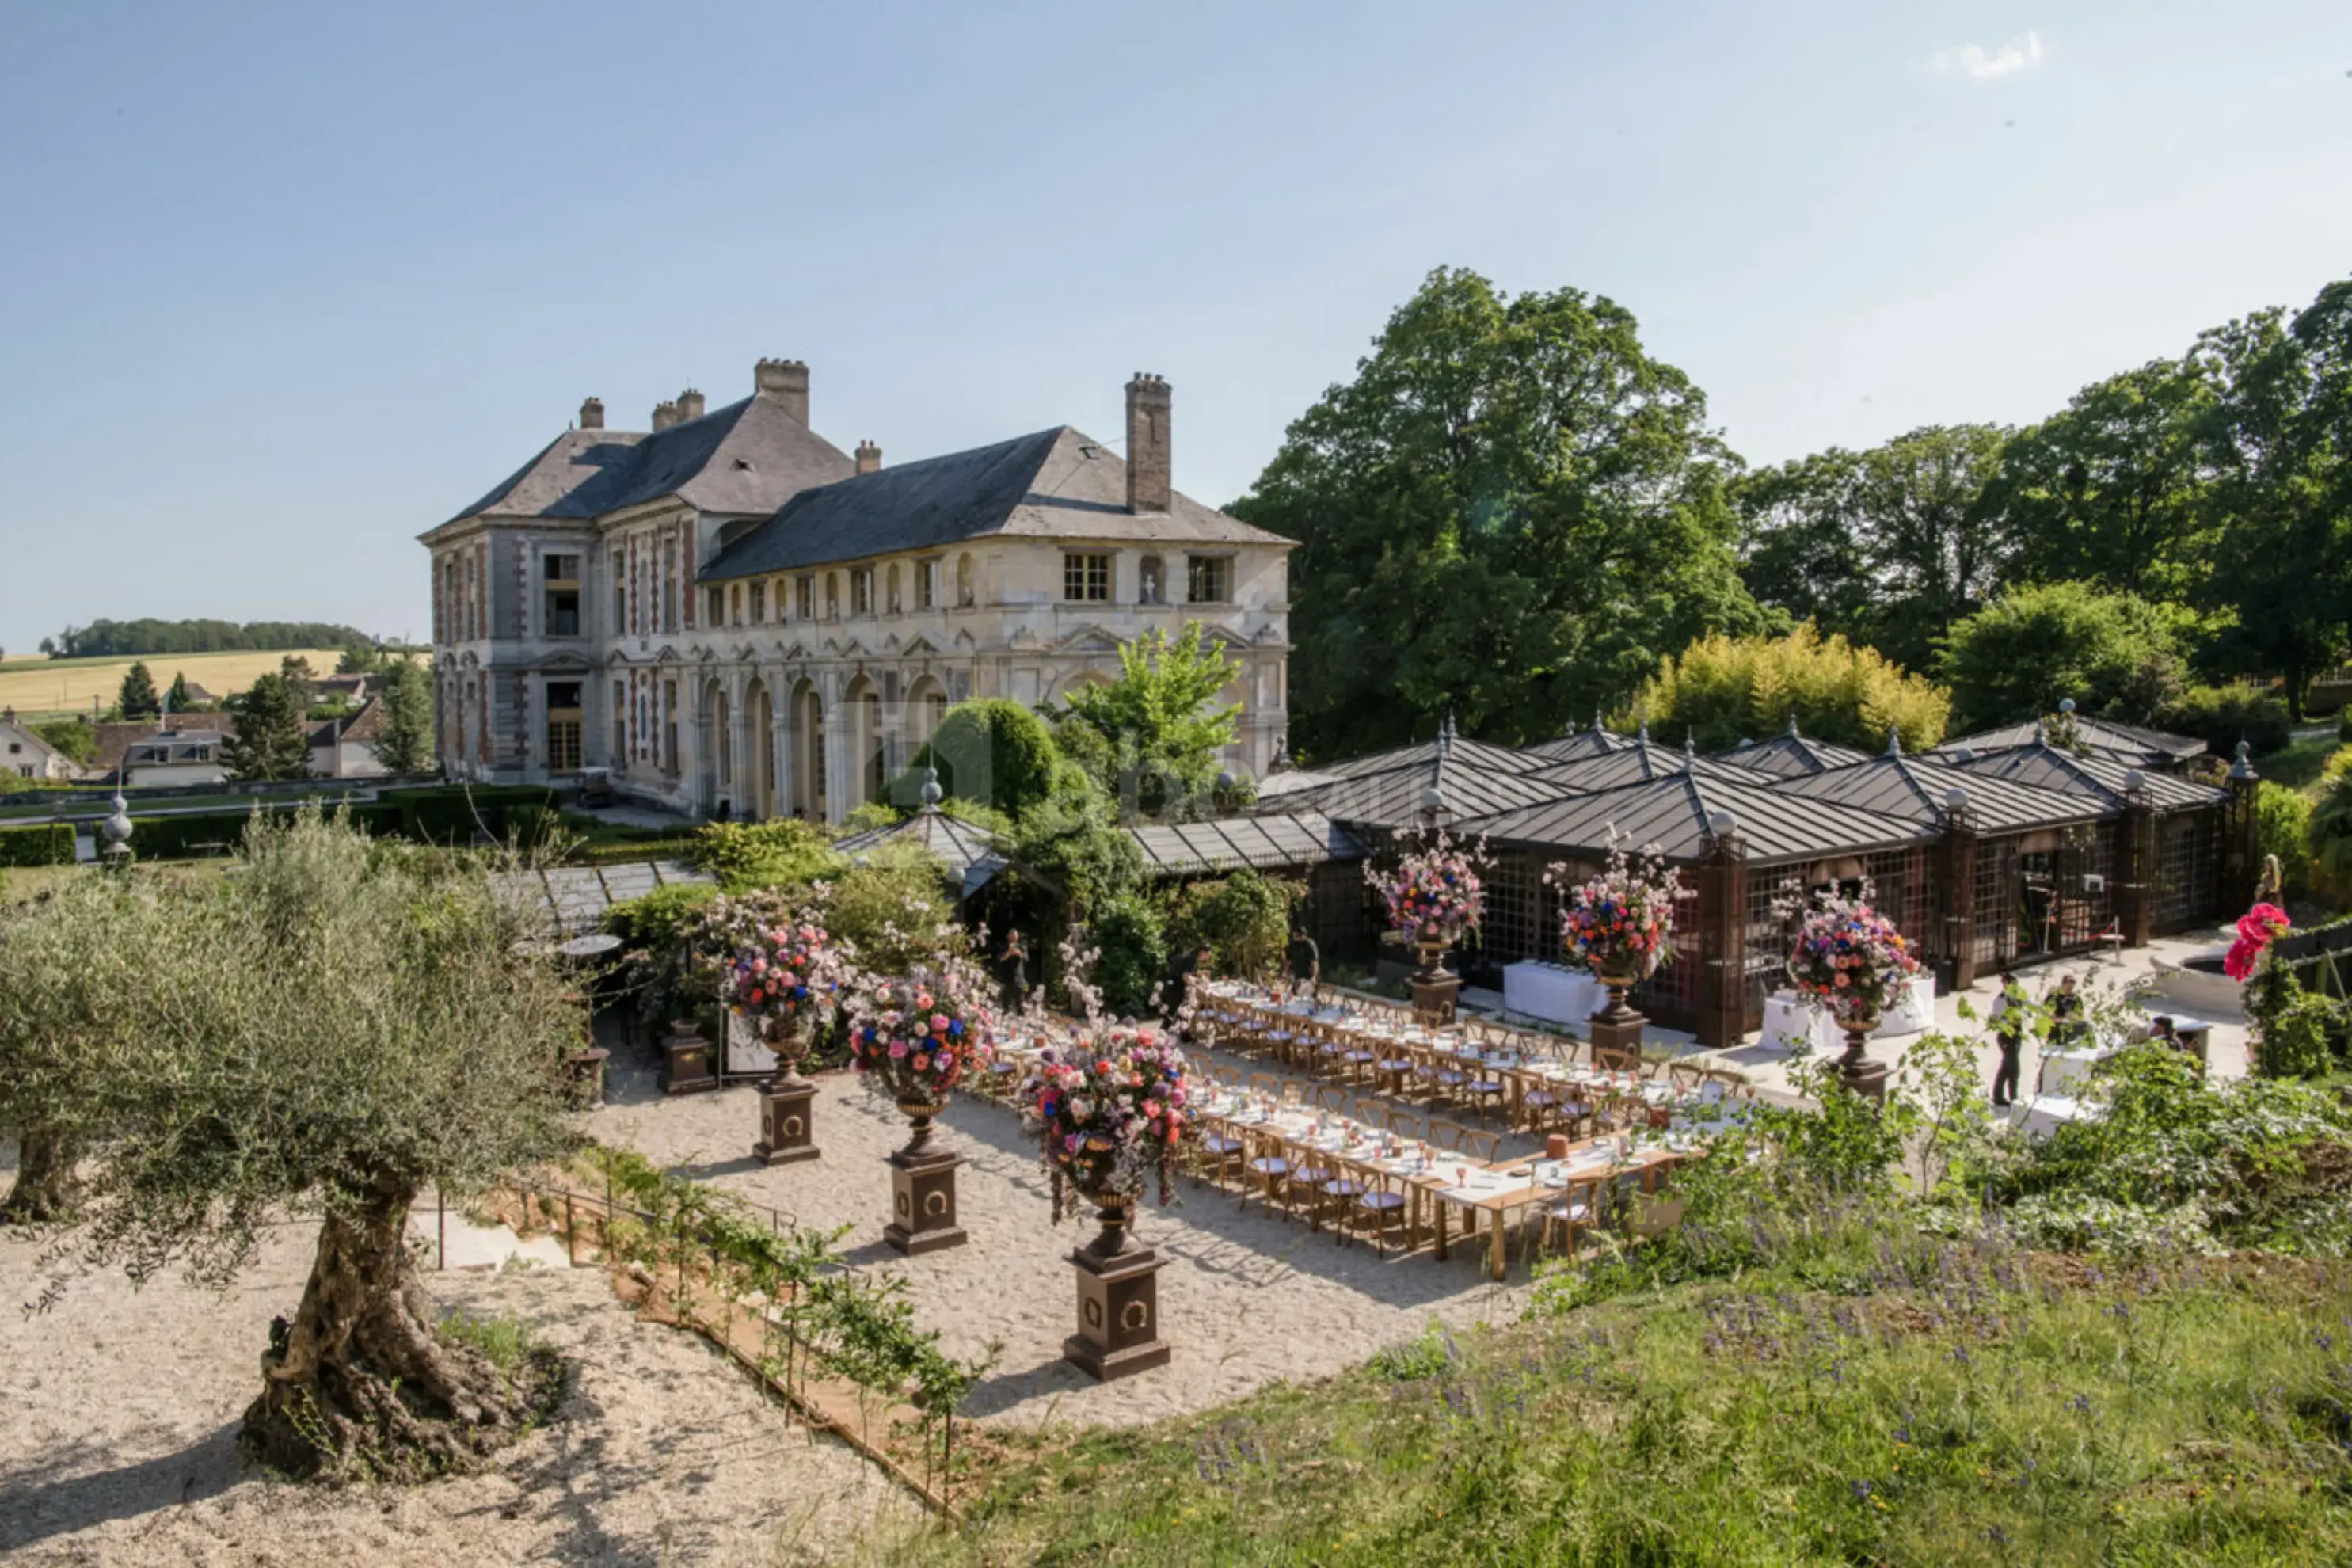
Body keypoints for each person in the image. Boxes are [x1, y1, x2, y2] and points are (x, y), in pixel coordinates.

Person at [1989, 967, 2025, 1109]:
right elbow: (1996, 1020)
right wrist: (2009, 1021)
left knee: (2007, 1066)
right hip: (2006, 1035)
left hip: (2017, 1033)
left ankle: (1998, 1095)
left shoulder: (2018, 998)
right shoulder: (2000, 1000)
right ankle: (2013, 1096)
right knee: (2014, 1067)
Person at [1162, 942, 1210, 1031]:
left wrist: (1198, 974)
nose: (1207, 957)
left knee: (1174, 1010)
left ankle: (1169, 1031)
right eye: (1207, 954)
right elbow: (1185, 976)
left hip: (1169, 981)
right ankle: (1166, 1032)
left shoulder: (1189, 955)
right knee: (1175, 1010)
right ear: (1202, 952)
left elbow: (1183, 970)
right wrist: (1197, 984)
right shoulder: (1192, 959)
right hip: (1176, 984)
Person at [1284, 924, 1321, 1002]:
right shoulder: (1293, 945)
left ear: (1304, 936)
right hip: (1298, 977)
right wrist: (1284, 972)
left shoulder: (1309, 945)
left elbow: (1315, 962)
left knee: (1308, 1000)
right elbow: (1288, 959)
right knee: (1294, 998)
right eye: (1296, 935)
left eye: (1299, 935)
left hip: (1309, 977)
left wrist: (1314, 977)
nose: (1296, 937)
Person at [2048, 972, 2084, 1047]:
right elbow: (2047, 1014)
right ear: (2063, 984)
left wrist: (2074, 1016)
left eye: (2072, 986)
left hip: (2071, 1033)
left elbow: (2080, 1015)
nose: (2070, 987)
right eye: (2068, 985)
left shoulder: (2076, 999)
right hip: (2054, 1032)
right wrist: (2060, 1018)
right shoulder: (2054, 997)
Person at [999, 927, 1028, 1012]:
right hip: (1008, 977)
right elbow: (1000, 959)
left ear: (1018, 937)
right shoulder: (1004, 947)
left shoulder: (1022, 947)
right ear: (1008, 937)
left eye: (1015, 936)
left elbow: (1026, 959)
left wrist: (1018, 953)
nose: (1013, 938)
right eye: (1011, 936)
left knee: (1020, 1004)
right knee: (1006, 1004)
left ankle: (1020, 1015)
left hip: (1019, 978)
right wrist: (1008, 953)